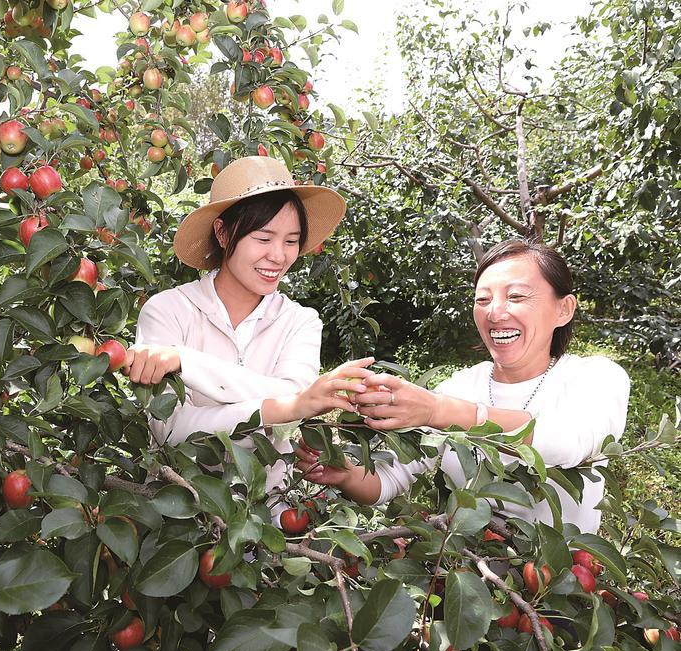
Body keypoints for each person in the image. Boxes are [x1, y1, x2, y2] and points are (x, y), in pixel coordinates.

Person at [296, 240, 630, 534]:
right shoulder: (460, 386)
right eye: (482, 300)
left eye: (516, 296)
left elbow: (567, 444)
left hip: (557, 591)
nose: (495, 312)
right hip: (465, 586)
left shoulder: (596, 377)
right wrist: (345, 473)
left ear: (563, 309)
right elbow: (389, 480)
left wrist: (438, 409)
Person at [125, 156, 374, 494]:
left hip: (269, 512)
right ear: (224, 233)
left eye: (290, 241)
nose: (278, 255)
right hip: (175, 508)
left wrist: (185, 361)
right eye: (263, 238)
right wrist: (286, 406)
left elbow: (295, 397)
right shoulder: (168, 311)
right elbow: (171, 430)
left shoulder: (299, 322)